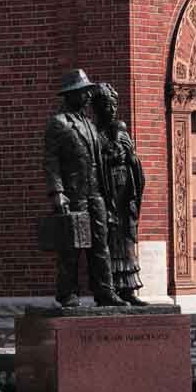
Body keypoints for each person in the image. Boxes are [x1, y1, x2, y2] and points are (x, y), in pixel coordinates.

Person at [44, 69, 128, 307]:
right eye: (82, 92)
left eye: (87, 91)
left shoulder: (90, 124)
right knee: (72, 247)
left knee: (100, 244)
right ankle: (68, 293)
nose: (87, 95)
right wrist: (57, 193)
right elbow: (51, 161)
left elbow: (99, 156)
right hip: (73, 194)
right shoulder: (59, 123)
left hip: (95, 193)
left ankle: (104, 292)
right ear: (70, 94)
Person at [92, 83, 148, 306]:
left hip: (125, 195)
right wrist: (110, 158)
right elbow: (93, 165)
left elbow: (135, 161)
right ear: (97, 108)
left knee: (126, 242)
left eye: (114, 105)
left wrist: (130, 158)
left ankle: (128, 290)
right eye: (107, 105)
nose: (112, 109)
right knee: (109, 243)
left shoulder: (122, 133)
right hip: (107, 195)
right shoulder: (95, 135)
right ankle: (109, 289)